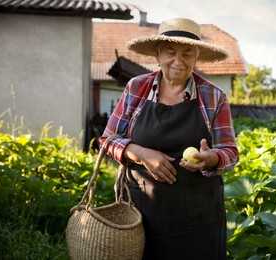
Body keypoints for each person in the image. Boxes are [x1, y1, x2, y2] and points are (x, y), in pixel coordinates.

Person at [100, 17, 239, 260]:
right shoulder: (136, 88)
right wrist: (141, 154)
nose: (178, 61)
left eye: (187, 54)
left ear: (197, 57)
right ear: (157, 55)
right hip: (140, 213)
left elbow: (230, 152)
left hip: (198, 218)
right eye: (171, 52)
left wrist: (211, 158)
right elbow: (107, 140)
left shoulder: (214, 96)